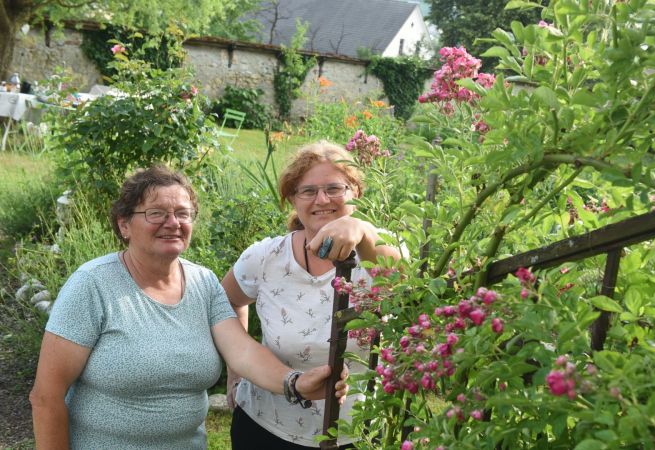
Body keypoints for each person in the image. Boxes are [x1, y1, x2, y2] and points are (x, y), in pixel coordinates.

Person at [29, 165, 348, 450]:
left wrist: (294, 382)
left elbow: (243, 352)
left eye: (182, 213)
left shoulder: (203, 283)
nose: (172, 223)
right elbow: (46, 397)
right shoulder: (92, 285)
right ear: (124, 224)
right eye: (156, 213)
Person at [223, 141, 402, 449]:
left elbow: (405, 279)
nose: (322, 200)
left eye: (335, 188)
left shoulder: (380, 251)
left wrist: (360, 229)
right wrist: (236, 369)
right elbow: (225, 304)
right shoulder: (267, 257)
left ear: (355, 191)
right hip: (265, 426)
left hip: (351, 432)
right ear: (292, 198)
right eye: (307, 191)